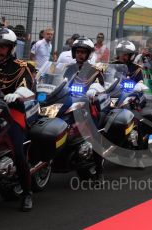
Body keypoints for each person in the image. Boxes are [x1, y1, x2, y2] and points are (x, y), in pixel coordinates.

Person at [0, 28, 36, 211]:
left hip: (11, 112)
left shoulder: (22, 66)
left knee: (17, 150)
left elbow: (28, 88)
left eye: (4, 46)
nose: (0, 50)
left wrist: (17, 94)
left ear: (11, 48)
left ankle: (27, 193)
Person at [66, 37, 105, 179]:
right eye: (77, 52)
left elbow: (100, 85)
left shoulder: (95, 70)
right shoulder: (67, 68)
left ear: (88, 54)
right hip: (68, 104)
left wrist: (94, 89)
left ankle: (99, 171)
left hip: (88, 107)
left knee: (94, 135)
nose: (80, 55)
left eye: (83, 52)